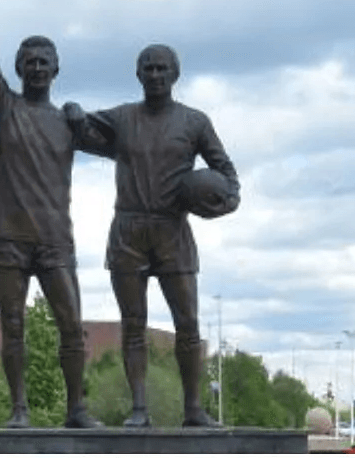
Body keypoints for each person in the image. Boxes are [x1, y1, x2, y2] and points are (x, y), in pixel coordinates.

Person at [0, 0, 101, 429]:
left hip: (55, 236)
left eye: (45, 61)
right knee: (13, 326)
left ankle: (76, 409)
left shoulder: (71, 121)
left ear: (57, 69)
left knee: (72, 328)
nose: (37, 67)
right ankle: (20, 409)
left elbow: (132, 147)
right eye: (30, 61)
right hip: (6, 235)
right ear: (19, 69)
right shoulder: (5, 105)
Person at [66, 44, 239, 428]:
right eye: (148, 68)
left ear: (175, 74)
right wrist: (75, 116)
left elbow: (228, 176)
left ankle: (193, 408)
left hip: (172, 229)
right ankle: (139, 409)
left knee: (188, 324)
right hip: (128, 231)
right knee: (133, 323)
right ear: (138, 74)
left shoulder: (195, 122)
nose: (155, 74)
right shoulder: (123, 118)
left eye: (162, 68)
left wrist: (223, 203)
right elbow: (83, 131)